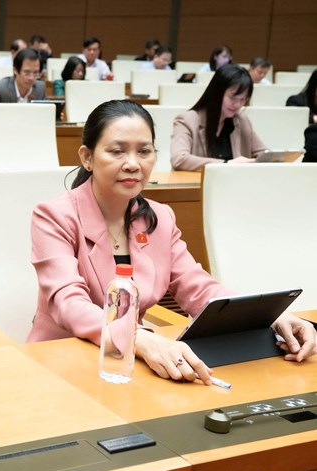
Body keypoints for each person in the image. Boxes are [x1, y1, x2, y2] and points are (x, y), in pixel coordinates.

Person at [28, 99, 316, 384]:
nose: (132, 164)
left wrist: (268, 318)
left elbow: (198, 288)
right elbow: (70, 304)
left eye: (144, 151)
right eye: (117, 151)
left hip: (128, 367)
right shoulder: (54, 215)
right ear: (87, 157)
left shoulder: (159, 218)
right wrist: (139, 339)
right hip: (62, 363)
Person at [171, 64, 267, 171]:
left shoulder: (241, 120)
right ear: (217, 93)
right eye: (233, 98)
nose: (237, 105)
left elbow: (264, 154)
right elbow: (178, 159)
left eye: (243, 99)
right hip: (198, 185)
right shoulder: (187, 120)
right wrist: (226, 164)